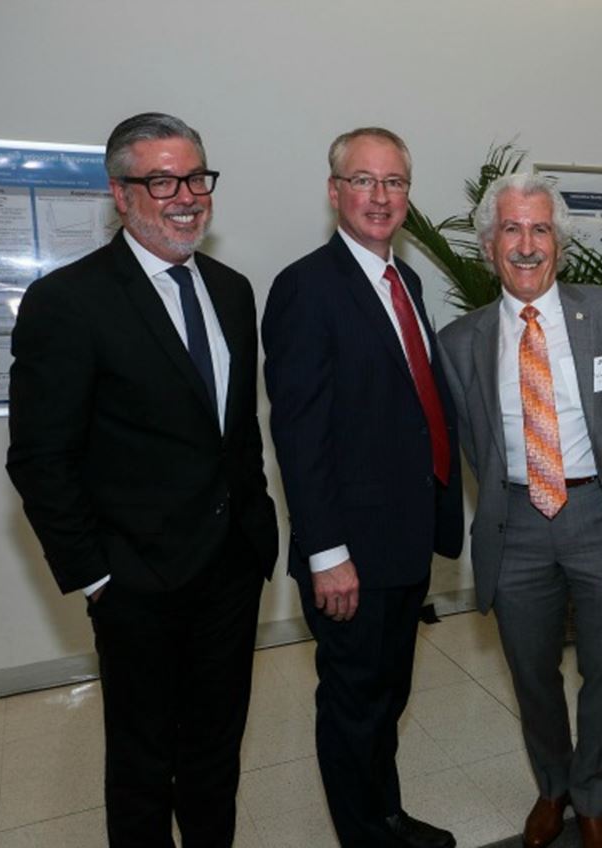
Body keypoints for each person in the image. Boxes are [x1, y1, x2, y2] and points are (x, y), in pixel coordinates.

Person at [6, 112, 279, 847]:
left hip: (230, 571)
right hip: (136, 585)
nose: (185, 195)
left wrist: (257, 536)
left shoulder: (230, 290)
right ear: (120, 195)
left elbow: (234, 430)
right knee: (141, 765)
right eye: (161, 180)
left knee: (216, 755)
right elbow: (38, 459)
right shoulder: (70, 301)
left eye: (196, 177)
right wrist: (97, 578)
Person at [438, 173, 602, 848]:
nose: (527, 244)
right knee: (531, 670)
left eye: (540, 229)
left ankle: (594, 796)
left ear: (559, 243)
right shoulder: (460, 342)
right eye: (512, 229)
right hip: (516, 522)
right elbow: (475, 444)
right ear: (489, 246)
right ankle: (553, 785)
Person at [262, 127, 463, 847]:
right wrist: (326, 554)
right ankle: (367, 837)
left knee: (386, 699)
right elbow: (300, 437)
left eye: (394, 182)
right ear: (334, 190)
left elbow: (410, 408)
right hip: (350, 553)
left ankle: (386, 817)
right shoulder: (304, 289)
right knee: (353, 706)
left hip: (404, 542)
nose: (380, 197)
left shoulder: (403, 282)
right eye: (363, 180)